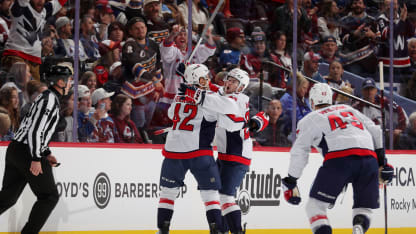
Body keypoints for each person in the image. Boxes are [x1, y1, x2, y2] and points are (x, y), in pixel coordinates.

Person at [281, 83, 394, 234]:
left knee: (315, 206)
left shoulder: (310, 118)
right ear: (331, 99)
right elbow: (376, 131)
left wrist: (291, 179)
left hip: (340, 160)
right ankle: (358, 229)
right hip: (369, 158)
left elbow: (300, 151)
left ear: (312, 102)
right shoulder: (348, 109)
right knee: (364, 207)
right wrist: (382, 163)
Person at [156, 64, 245, 233]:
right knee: (211, 196)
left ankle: (162, 230)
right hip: (199, 153)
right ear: (198, 80)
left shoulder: (178, 97)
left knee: (167, 194)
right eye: (205, 78)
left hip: (174, 152)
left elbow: (170, 114)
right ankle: (217, 230)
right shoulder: (209, 100)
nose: (208, 81)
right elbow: (230, 107)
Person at [0, 65, 72, 233]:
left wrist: (46, 153)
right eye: (68, 81)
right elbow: (35, 130)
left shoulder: (45, 97)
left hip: (16, 149)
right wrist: (36, 158)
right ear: (60, 81)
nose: (70, 84)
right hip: (27, 152)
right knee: (49, 197)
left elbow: (34, 128)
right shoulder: (50, 100)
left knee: (7, 198)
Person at [214, 68, 269, 233]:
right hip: (225, 154)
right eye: (228, 79)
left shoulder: (236, 99)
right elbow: (262, 117)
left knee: (225, 196)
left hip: (237, 156)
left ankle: (236, 230)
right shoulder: (227, 96)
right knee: (218, 198)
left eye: (233, 81)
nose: (228, 82)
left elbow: (263, 117)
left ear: (241, 87)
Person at [1, 0, 68, 81]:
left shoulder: (45, 10)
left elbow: (59, 2)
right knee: (21, 86)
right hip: (16, 55)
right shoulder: (20, 7)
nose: (40, 1)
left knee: (36, 91)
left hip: (35, 60)